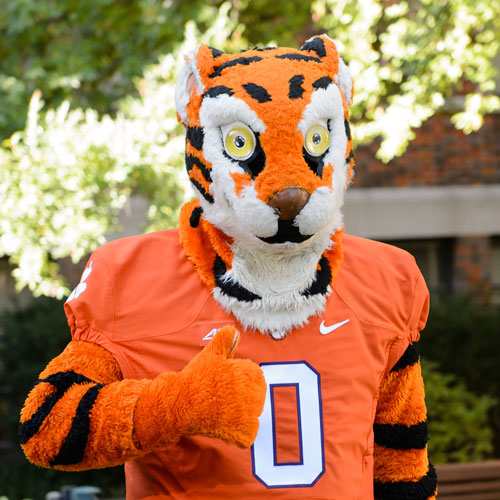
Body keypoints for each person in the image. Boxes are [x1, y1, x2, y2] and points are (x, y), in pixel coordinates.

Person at [20, 35, 437, 500]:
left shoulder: (386, 280)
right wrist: (176, 406)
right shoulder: (130, 277)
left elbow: (401, 465)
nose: (288, 190)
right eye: (240, 142)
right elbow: (46, 430)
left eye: (315, 140)